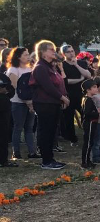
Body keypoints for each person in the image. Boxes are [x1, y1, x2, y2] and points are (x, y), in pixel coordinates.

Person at [31, 40, 70, 170]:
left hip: (54, 103)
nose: (54, 51)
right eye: (51, 49)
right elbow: (48, 87)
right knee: (46, 132)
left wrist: (63, 98)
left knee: (52, 131)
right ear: (42, 52)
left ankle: (50, 158)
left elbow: (60, 83)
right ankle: (46, 161)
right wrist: (62, 98)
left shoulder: (50, 67)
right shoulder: (40, 67)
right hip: (45, 104)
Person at [5, 47, 38, 160]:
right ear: (18, 57)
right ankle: (16, 152)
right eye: (25, 55)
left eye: (28, 54)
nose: (28, 56)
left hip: (30, 102)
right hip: (18, 103)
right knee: (18, 127)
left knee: (29, 127)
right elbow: (15, 87)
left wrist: (31, 102)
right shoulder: (13, 70)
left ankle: (32, 152)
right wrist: (27, 102)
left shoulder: (30, 69)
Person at [59, 44, 90, 145]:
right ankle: (73, 139)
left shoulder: (81, 63)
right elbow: (65, 81)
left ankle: (88, 135)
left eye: (72, 51)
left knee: (86, 115)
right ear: (64, 54)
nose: (71, 53)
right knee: (68, 118)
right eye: (68, 52)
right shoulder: (62, 65)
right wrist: (80, 79)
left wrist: (76, 65)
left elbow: (88, 75)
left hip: (82, 95)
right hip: (69, 94)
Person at [79, 79, 100, 168]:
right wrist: (97, 112)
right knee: (88, 143)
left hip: (92, 123)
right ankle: (85, 162)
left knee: (90, 142)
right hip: (90, 123)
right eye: (94, 87)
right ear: (88, 90)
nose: (96, 89)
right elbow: (87, 113)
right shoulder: (88, 100)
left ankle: (88, 160)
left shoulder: (89, 99)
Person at [0, 67, 16, 167]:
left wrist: (5, 91)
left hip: (4, 109)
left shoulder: (3, 77)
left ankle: (3, 160)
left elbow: (11, 90)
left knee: (3, 134)